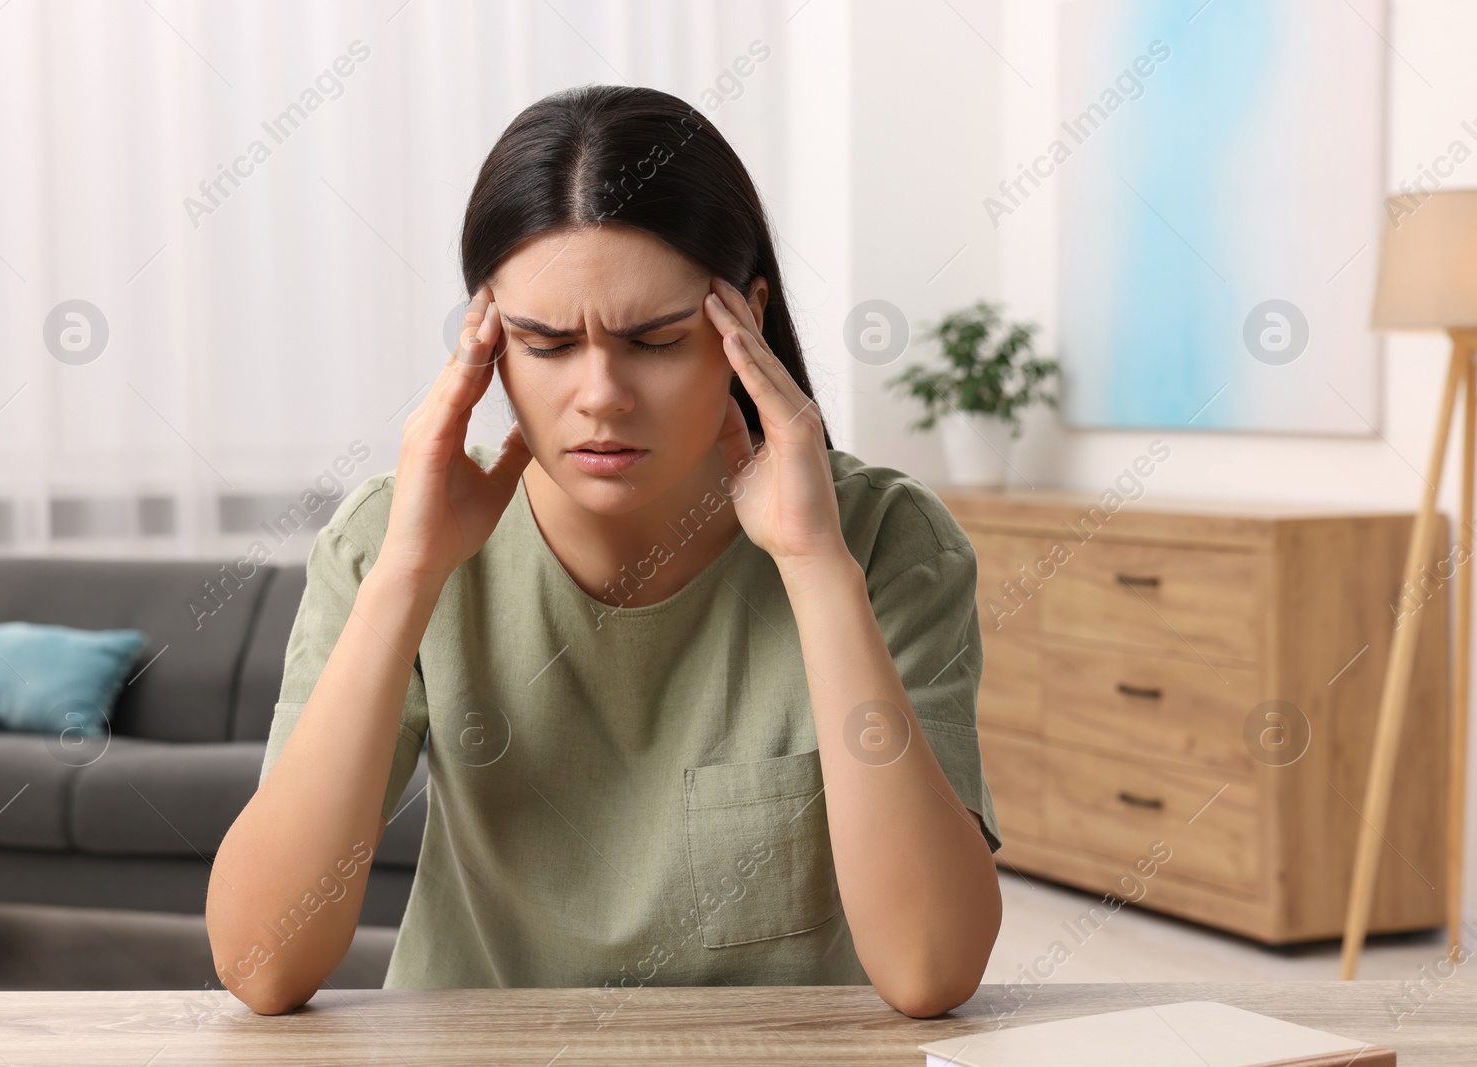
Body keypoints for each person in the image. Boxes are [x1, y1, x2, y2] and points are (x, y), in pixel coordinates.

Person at [206, 84, 1003, 1020]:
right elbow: (262, 961)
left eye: (656, 341)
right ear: (485, 340)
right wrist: (407, 575)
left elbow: (930, 967)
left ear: (744, 321)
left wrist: (815, 567)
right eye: (544, 345)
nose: (600, 396)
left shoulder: (883, 541)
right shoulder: (389, 541)